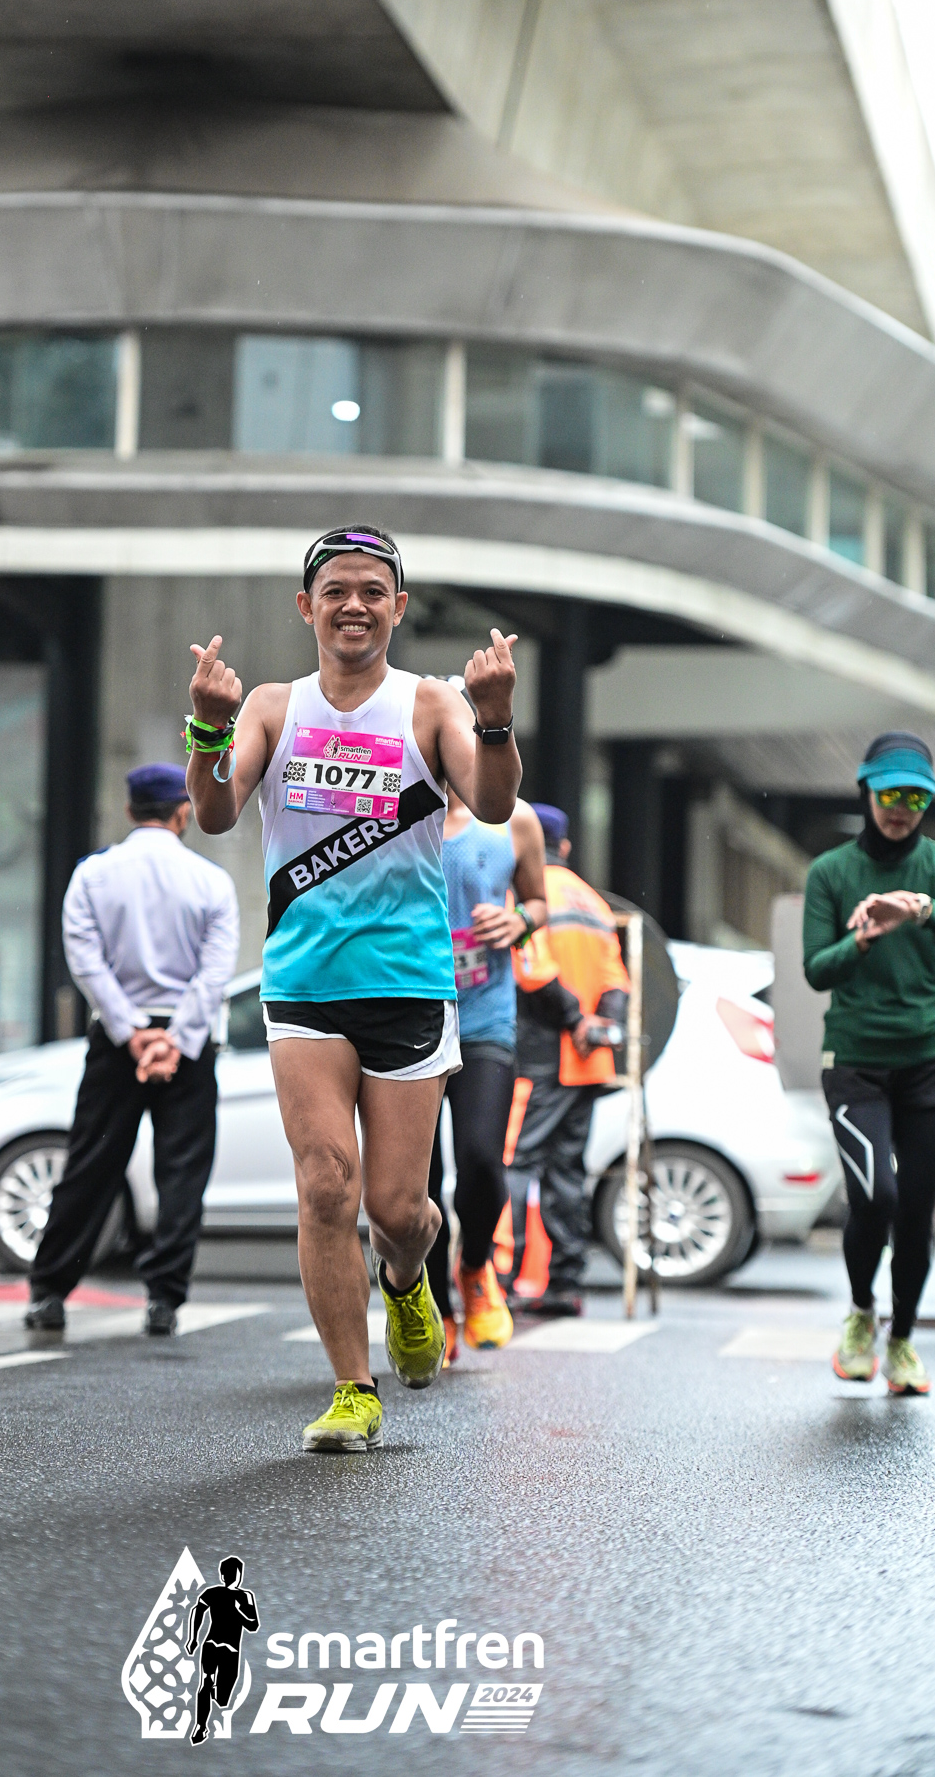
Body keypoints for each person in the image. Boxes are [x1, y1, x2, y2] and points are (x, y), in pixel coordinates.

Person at [186, 523, 522, 1452]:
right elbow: (213, 812)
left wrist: (494, 717)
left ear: (398, 608)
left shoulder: (429, 705)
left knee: (396, 1211)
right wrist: (208, 728)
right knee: (326, 1186)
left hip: (408, 982)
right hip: (303, 983)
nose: (354, 605)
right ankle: (352, 1388)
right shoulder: (271, 706)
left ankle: (408, 1279)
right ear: (307, 606)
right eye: (336, 590)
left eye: (373, 590)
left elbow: (494, 804)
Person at [24, 763, 239, 1338]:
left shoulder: (92, 875)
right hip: (187, 1044)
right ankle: (163, 1300)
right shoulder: (211, 881)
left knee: (91, 1164)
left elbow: (84, 958)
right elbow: (215, 973)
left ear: (129, 811)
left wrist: (132, 1031)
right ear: (182, 812)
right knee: (182, 1172)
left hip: (118, 1041)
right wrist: (175, 1038)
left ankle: (50, 1292)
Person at [804, 731, 935, 1396]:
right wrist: (863, 939)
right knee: (877, 1195)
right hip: (857, 1060)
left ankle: (901, 1342)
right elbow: (817, 970)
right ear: (865, 791)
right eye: (890, 794)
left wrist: (920, 908)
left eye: (916, 799)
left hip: (933, 1055)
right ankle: (861, 1313)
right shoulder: (831, 872)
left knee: (917, 1210)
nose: (901, 809)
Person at [426, 782, 547, 1358]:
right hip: (410, 1018)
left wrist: (518, 920)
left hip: (485, 1021)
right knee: (417, 1183)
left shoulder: (514, 820)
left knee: (481, 1160)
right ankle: (435, 1305)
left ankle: (475, 1267)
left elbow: (538, 902)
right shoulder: (396, 813)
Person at [503, 803, 629, 1317]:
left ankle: (499, 1280)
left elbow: (532, 969)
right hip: (587, 1062)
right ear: (568, 847)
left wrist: (573, 1018)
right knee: (567, 1173)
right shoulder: (592, 900)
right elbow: (617, 980)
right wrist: (596, 1024)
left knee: (514, 1163)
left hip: (542, 1054)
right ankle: (565, 1285)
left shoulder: (525, 896)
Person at [185, 1555, 259, 1745]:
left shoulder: (245, 1596)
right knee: (206, 1681)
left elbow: (253, 1625)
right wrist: (193, 1638)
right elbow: (197, 1611)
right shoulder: (213, 1593)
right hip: (213, 1645)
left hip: (230, 1651)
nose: (232, 1576)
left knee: (222, 1698)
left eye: (234, 1573)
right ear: (222, 1575)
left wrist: (237, 1611)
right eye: (228, 1573)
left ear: (239, 1574)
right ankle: (201, 1726)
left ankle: (212, 1695)